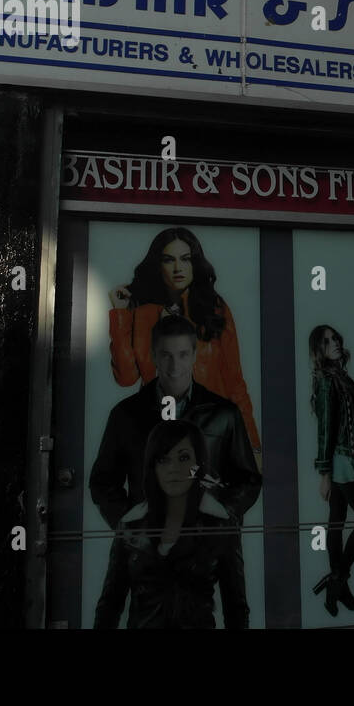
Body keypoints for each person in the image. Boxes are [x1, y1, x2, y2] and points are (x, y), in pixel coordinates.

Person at [108, 226, 262, 465]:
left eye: (186, 259)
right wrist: (120, 315)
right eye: (169, 260)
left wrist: (252, 445)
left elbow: (235, 381)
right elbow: (126, 377)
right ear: (158, 265)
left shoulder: (214, 308)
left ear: (195, 264)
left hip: (210, 429)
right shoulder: (142, 312)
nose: (178, 268)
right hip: (158, 432)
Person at [90, 316, 261, 529]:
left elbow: (248, 479)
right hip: (148, 547)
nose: (174, 365)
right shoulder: (126, 414)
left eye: (182, 355)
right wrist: (128, 523)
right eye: (166, 355)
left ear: (194, 356)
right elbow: (103, 481)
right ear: (153, 356)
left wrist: (222, 513)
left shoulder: (224, 414)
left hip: (208, 546)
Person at [94, 419, 248, 629]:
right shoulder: (131, 525)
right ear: (153, 466)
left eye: (183, 458)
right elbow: (110, 605)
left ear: (198, 464)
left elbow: (236, 608)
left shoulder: (221, 524)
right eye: (163, 460)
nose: (173, 468)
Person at [309, 324, 354, 617]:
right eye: (327, 342)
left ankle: (338, 592)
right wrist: (325, 474)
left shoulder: (339, 376)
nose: (335, 343)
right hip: (341, 460)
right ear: (319, 351)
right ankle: (337, 580)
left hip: (344, 456)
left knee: (336, 522)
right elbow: (325, 429)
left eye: (335, 338)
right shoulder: (327, 381)